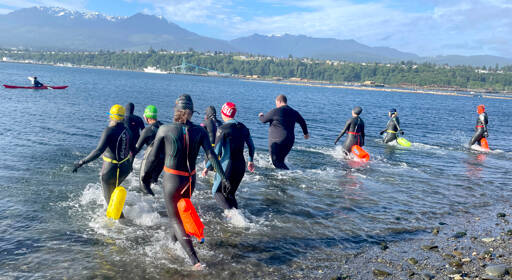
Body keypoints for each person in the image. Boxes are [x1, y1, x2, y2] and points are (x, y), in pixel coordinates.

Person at [144, 94, 230, 269]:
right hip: (190, 180)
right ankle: (172, 244)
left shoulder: (165, 130)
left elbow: (152, 158)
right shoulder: (200, 131)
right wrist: (223, 176)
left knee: (176, 219)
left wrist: (146, 179)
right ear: (191, 112)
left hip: (172, 180)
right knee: (180, 213)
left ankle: (195, 261)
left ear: (176, 110)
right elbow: (211, 155)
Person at [72, 104, 134, 218]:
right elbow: (132, 149)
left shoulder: (109, 131)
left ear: (112, 116)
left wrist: (81, 162)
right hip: (125, 168)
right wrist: (130, 165)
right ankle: (118, 220)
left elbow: (98, 151)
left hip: (111, 170)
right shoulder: (128, 130)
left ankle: (122, 226)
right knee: (114, 194)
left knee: (110, 201)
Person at [202, 102, 255, 210]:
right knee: (230, 194)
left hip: (228, 166)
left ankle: (232, 216)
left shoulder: (222, 129)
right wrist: (250, 160)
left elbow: (215, 153)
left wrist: (207, 167)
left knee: (216, 192)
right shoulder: (243, 127)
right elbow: (252, 146)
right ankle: (238, 216)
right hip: (241, 166)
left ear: (223, 113)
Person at [258, 94, 309, 169]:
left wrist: (261, 115)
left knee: (276, 162)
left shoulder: (275, 111)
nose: (276, 105)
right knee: (280, 161)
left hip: (277, 139)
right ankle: (284, 175)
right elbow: (302, 122)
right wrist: (306, 134)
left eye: (276, 103)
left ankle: (289, 176)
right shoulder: (294, 112)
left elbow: (263, 120)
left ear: (279, 101)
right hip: (290, 140)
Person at [135, 105, 163, 196]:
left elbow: (136, 149)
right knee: (154, 182)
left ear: (147, 117)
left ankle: (150, 205)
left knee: (144, 185)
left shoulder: (147, 131)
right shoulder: (165, 127)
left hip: (150, 161)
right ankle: (157, 203)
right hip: (162, 162)